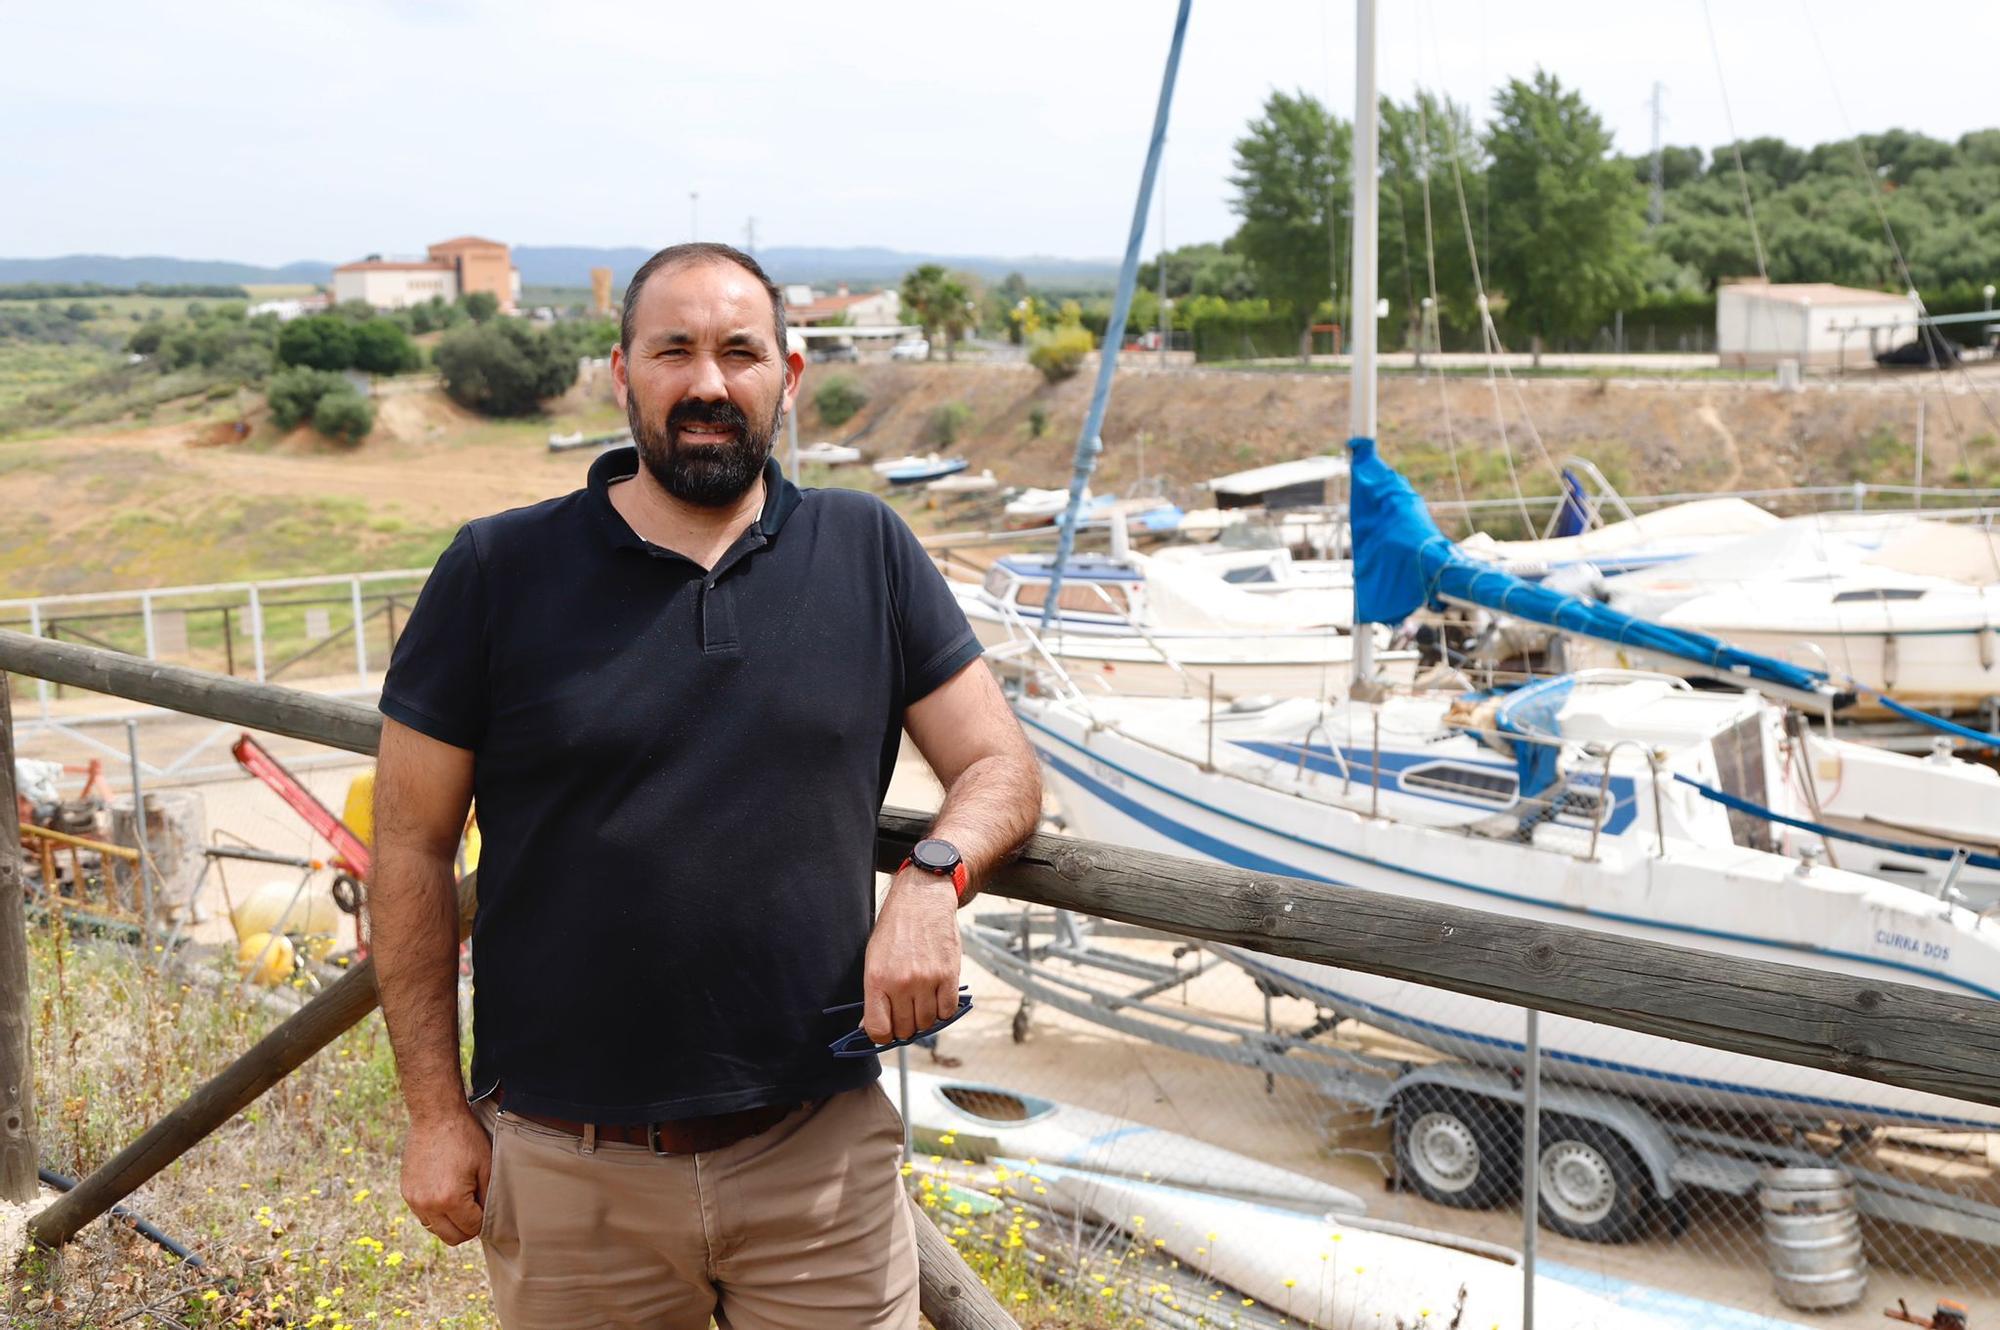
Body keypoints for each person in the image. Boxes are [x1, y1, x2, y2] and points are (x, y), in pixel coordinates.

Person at [369, 241, 1042, 1329]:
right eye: (673, 349)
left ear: (789, 375)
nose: (709, 383)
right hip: (570, 1173)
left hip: (817, 1164)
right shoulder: (497, 571)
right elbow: (405, 848)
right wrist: (433, 1114)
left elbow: (999, 763)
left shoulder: (864, 545)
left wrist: (928, 876)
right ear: (621, 371)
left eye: (740, 351)